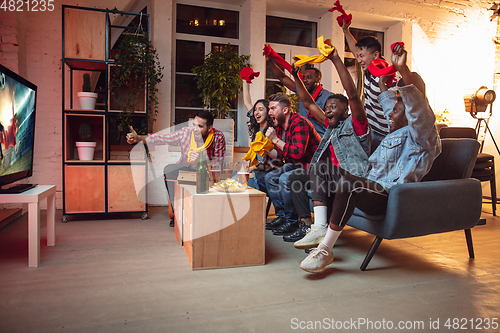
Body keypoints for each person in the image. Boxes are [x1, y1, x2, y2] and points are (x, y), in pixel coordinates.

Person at [299, 43, 440, 273]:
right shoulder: (397, 128)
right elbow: (390, 104)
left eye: (396, 109)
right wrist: (384, 79)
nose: (390, 114)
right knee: (320, 167)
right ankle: (319, 227)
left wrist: (403, 71)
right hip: (367, 183)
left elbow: (417, 108)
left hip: (386, 193)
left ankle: (326, 249)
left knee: (348, 183)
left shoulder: (421, 136)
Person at [284, 45, 371, 245]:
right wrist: (296, 76)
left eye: (333, 107)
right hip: (329, 176)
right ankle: (308, 226)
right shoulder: (330, 126)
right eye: (327, 107)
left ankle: (322, 230)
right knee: (297, 175)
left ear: (346, 110)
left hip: (351, 176)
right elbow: (307, 103)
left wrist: (335, 59)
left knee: (320, 170)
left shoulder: (356, 124)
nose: (328, 110)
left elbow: (353, 94)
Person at [126, 110, 226, 226]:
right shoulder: (186, 133)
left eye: (200, 126)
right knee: (169, 169)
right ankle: (177, 213)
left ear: (209, 128)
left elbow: (218, 165)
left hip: (206, 171)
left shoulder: (218, 137)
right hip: (187, 167)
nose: (195, 129)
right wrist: (139, 138)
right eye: (194, 124)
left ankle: (205, 215)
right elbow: (163, 138)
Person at [342, 20, 423, 147]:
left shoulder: (389, 78)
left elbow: (408, 98)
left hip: (389, 136)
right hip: (373, 132)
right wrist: (345, 30)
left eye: (362, 56)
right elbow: (355, 50)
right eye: (358, 56)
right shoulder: (369, 71)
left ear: (375, 55)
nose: (359, 60)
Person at [263, 93, 320, 236]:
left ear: (285, 110)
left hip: (314, 169)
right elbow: (281, 156)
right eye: (269, 109)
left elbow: (297, 154)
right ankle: (283, 217)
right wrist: (266, 147)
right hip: (298, 166)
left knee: (285, 178)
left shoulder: (299, 123)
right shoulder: (282, 127)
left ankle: (292, 221)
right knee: (270, 177)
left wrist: (275, 140)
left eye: (273, 108)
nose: (269, 112)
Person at [265, 46, 331, 137]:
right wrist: (270, 61)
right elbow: (283, 77)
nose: (305, 81)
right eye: (303, 78)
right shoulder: (302, 92)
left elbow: (330, 123)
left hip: (320, 141)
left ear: (318, 80)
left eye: (309, 78)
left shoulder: (328, 97)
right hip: (302, 138)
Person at [241, 79, 276, 190]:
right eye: (255, 109)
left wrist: (254, 168)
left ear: (268, 112)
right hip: (255, 169)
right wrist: (244, 80)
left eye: (261, 109)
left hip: (266, 172)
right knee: (234, 179)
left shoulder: (271, 132)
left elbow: (273, 162)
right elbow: (247, 102)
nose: (256, 112)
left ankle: (254, 206)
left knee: (249, 182)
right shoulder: (257, 128)